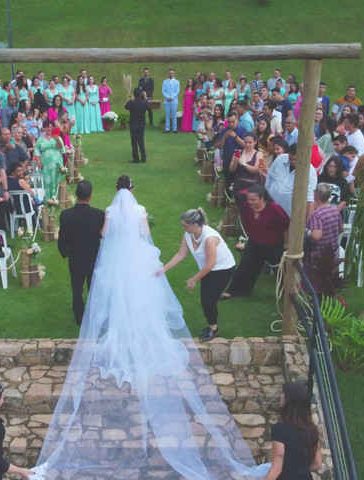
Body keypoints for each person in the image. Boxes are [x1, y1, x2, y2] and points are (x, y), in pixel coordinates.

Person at [30, 176, 269, 480]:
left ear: (117, 191)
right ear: (132, 190)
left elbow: (105, 234)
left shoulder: (111, 212)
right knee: (142, 296)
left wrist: (116, 235)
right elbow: (145, 235)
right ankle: (143, 328)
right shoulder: (140, 209)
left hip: (118, 257)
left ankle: (123, 328)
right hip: (137, 256)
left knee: (120, 292)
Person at [160, 208, 236, 342]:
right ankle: (212, 325)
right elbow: (180, 254)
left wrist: (193, 279)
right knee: (207, 298)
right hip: (208, 269)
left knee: (208, 299)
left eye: (185, 225)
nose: (183, 228)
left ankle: (213, 328)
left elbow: (211, 263)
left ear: (195, 225)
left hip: (223, 269)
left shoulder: (209, 238)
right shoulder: (188, 234)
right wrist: (163, 269)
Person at [222, 184, 290, 299]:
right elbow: (247, 222)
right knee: (245, 266)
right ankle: (234, 291)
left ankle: (289, 294)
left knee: (281, 270)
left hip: (273, 244)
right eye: (249, 199)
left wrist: (287, 243)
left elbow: (286, 226)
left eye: (253, 200)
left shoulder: (274, 209)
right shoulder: (246, 207)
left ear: (262, 198)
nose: (250, 202)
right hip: (255, 242)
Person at [57, 180, 105, 325]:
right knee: (93, 287)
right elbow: (101, 234)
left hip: (76, 257)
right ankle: (94, 313)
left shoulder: (66, 215)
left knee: (76, 288)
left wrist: (65, 252)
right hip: (93, 258)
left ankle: (79, 314)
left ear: (77, 194)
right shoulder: (98, 214)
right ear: (90, 196)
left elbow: (62, 239)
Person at [262, 381, 322, 480]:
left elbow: (277, 467)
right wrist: (300, 470)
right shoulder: (311, 429)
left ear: (288, 399)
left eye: (282, 393)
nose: (280, 396)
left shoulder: (280, 429)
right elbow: (318, 464)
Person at [265, 140, 317, 218]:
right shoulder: (280, 159)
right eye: (290, 159)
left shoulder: (310, 172)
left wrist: (308, 223)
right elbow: (269, 177)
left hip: (289, 214)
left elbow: (310, 199)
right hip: (270, 207)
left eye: (296, 160)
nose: (293, 161)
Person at [214, 110, 248, 187]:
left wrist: (235, 137)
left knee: (238, 184)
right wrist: (224, 138)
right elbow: (219, 146)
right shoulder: (224, 131)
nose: (231, 124)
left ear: (237, 120)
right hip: (227, 161)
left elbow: (245, 146)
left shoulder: (242, 130)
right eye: (229, 122)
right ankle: (227, 198)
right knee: (228, 184)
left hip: (239, 162)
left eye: (233, 122)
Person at [33, 121, 64, 199]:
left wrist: (57, 141)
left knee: (56, 178)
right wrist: (39, 162)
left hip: (56, 162)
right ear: (44, 128)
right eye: (47, 127)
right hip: (45, 163)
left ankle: (58, 198)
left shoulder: (57, 137)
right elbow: (36, 151)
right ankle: (48, 198)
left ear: (53, 128)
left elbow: (61, 148)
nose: (49, 129)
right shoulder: (40, 139)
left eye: (51, 127)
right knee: (47, 179)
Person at [125, 88, 148, 163]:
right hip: (141, 124)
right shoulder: (145, 102)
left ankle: (136, 158)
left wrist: (131, 99)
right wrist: (145, 97)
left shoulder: (132, 103)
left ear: (134, 95)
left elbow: (126, 107)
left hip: (134, 124)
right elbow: (147, 104)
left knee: (134, 142)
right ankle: (143, 157)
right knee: (141, 140)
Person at [162, 68, 180, 133]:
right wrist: (167, 97)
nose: (170, 74)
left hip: (174, 101)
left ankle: (174, 128)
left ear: (174, 73)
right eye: (169, 73)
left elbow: (177, 91)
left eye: (172, 73)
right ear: (168, 73)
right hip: (167, 101)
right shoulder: (164, 81)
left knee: (174, 115)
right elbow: (163, 91)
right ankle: (167, 128)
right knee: (167, 115)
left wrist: (172, 97)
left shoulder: (177, 82)